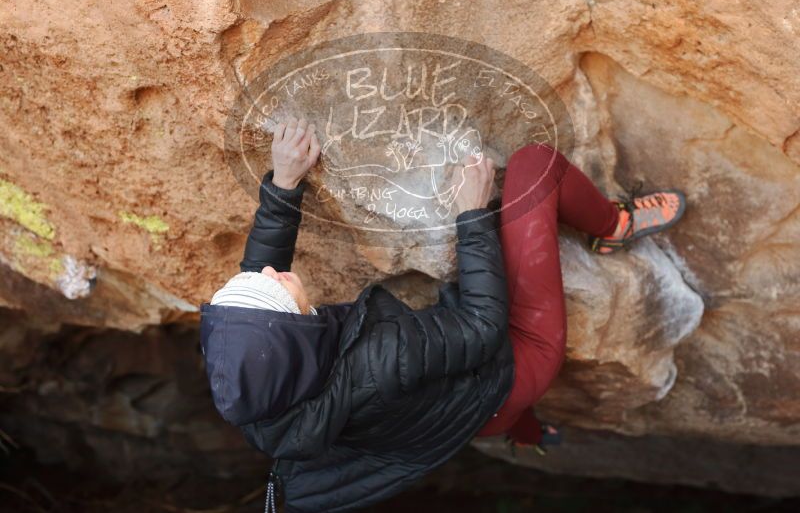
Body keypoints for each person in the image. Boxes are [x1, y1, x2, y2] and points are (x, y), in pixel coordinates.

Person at [200, 116, 686, 512]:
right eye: (273, 287)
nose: (268, 271)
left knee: (504, 415)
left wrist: (284, 184)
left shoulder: (252, 395)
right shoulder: (379, 358)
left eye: (252, 284)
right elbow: (482, 325)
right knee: (536, 165)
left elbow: (256, 300)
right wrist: (472, 215)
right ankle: (614, 225)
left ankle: (528, 433)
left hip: (465, 421)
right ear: (293, 338)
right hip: (515, 363)